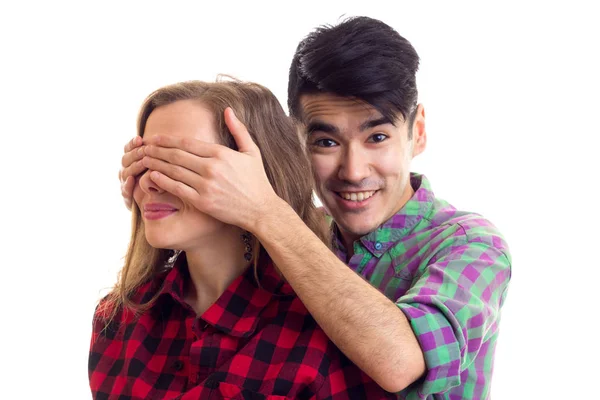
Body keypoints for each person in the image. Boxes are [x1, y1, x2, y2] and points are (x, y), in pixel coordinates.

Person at [119, 17, 512, 399]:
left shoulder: (471, 246)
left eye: (377, 137)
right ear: (295, 141)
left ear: (418, 131)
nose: (354, 172)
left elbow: (401, 364)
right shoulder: (293, 230)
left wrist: (265, 213)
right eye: (326, 142)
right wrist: (159, 192)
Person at [90, 79, 399, 399]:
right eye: (144, 161)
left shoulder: (327, 335)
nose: (151, 184)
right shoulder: (118, 320)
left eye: (180, 164)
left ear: (253, 176)